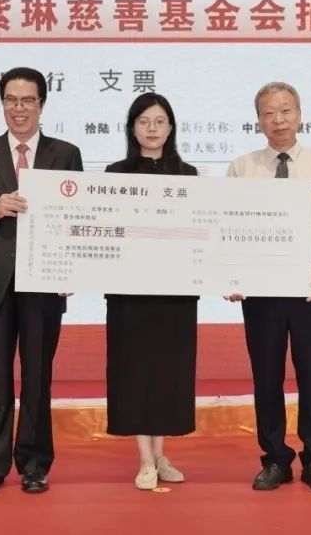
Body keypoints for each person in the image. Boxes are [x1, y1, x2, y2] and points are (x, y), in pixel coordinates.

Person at [0, 67, 84, 496]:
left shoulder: (65, 154)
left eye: (27, 100)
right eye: (10, 100)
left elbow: (80, 218)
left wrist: (71, 269)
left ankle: (35, 465)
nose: (18, 108)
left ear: (42, 104)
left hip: (45, 283)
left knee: (38, 377)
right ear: (2, 103)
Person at [226, 81, 311, 493]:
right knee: (266, 376)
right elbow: (227, 226)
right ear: (258, 120)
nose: (278, 120)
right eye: (269, 113)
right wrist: (233, 275)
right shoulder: (242, 167)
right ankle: (275, 459)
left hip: (310, 286)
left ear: (300, 115)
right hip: (261, 291)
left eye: (286, 111)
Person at [104, 93, 199, 490]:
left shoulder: (188, 175)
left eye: (160, 121)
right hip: (130, 294)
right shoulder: (115, 174)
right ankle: (144, 459)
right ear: (132, 129)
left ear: (171, 127)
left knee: (168, 373)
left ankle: (160, 455)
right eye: (144, 121)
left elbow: (199, 231)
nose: (152, 128)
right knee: (135, 372)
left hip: (175, 294)